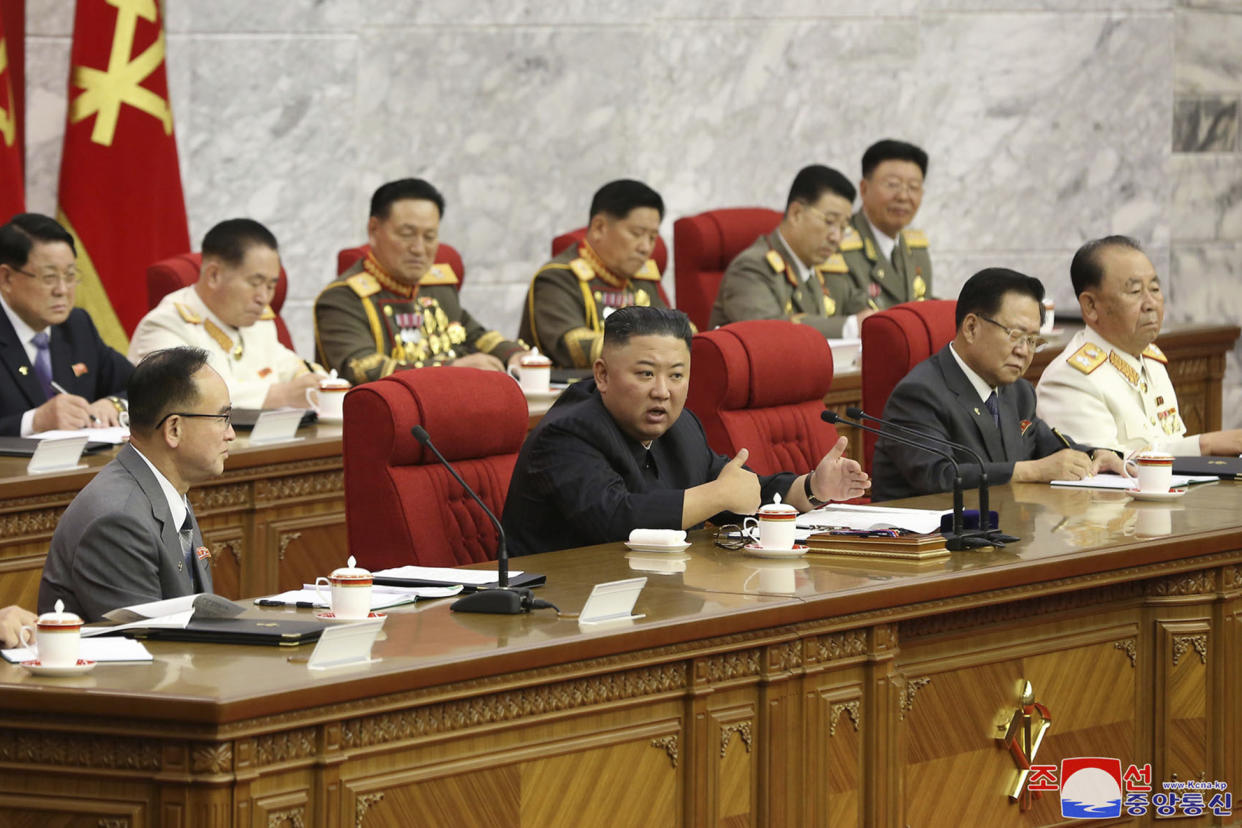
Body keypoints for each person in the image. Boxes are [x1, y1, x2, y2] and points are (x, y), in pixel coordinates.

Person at [502, 306, 870, 555]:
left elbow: (737, 492)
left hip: (652, 597)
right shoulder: (568, 433)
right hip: (561, 612)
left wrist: (812, 487)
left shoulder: (681, 427)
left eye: (676, 375)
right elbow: (617, 519)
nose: (663, 390)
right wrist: (717, 495)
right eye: (646, 373)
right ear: (602, 374)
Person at [871, 268, 1125, 501]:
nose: (1024, 352)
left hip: (998, 530)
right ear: (971, 327)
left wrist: (1095, 456)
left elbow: (1047, 445)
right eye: (1015, 336)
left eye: (1033, 341)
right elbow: (938, 476)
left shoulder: (1018, 392)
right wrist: (1031, 471)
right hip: (927, 542)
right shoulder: (920, 394)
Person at [39, 347, 232, 621]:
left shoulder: (164, 490)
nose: (231, 434)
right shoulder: (118, 520)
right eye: (222, 419)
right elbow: (147, 644)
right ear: (174, 429)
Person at [1037, 236, 1242, 456]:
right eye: (1135, 292)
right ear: (1091, 306)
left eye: (1154, 289)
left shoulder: (1150, 360)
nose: (1151, 304)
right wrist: (1203, 446)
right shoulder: (1070, 379)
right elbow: (1105, 471)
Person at [315, 178, 526, 384]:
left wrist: (515, 355)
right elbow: (366, 371)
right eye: (407, 234)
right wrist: (451, 370)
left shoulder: (437, 286)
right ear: (373, 230)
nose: (418, 249)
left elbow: (474, 334)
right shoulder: (341, 300)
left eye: (429, 237)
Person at [129, 218, 322, 409]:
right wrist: (282, 395)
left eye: (271, 286)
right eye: (255, 283)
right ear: (214, 275)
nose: (264, 298)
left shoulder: (258, 322)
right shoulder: (166, 324)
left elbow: (292, 367)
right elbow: (186, 397)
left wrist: (320, 384)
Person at [0, 213, 132, 436]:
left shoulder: (77, 325)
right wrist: (33, 422)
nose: (62, 290)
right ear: (6, 278)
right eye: (49, 277)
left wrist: (115, 404)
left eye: (70, 276)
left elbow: (147, 387)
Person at [519, 179, 674, 368]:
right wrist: (657, 347)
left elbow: (675, 329)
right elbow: (576, 349)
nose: (646, 248)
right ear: (599, 227)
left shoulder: (641, 278)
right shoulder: (557, 279)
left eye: (652, 237)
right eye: (636, 233)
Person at [708, 165, 873, 337]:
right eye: (830, 222)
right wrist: (849, 327)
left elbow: (861, 308)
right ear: (796, 213)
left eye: (844, 227)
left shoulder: (827, 268)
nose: (836, 237)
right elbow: (767, 333)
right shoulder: (751, 269)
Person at [838, 139, 933, 309]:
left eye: (913, 187)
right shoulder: (836, 245)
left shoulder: (917, 250)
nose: (903, 196)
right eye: (892, 185)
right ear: (864, 189)